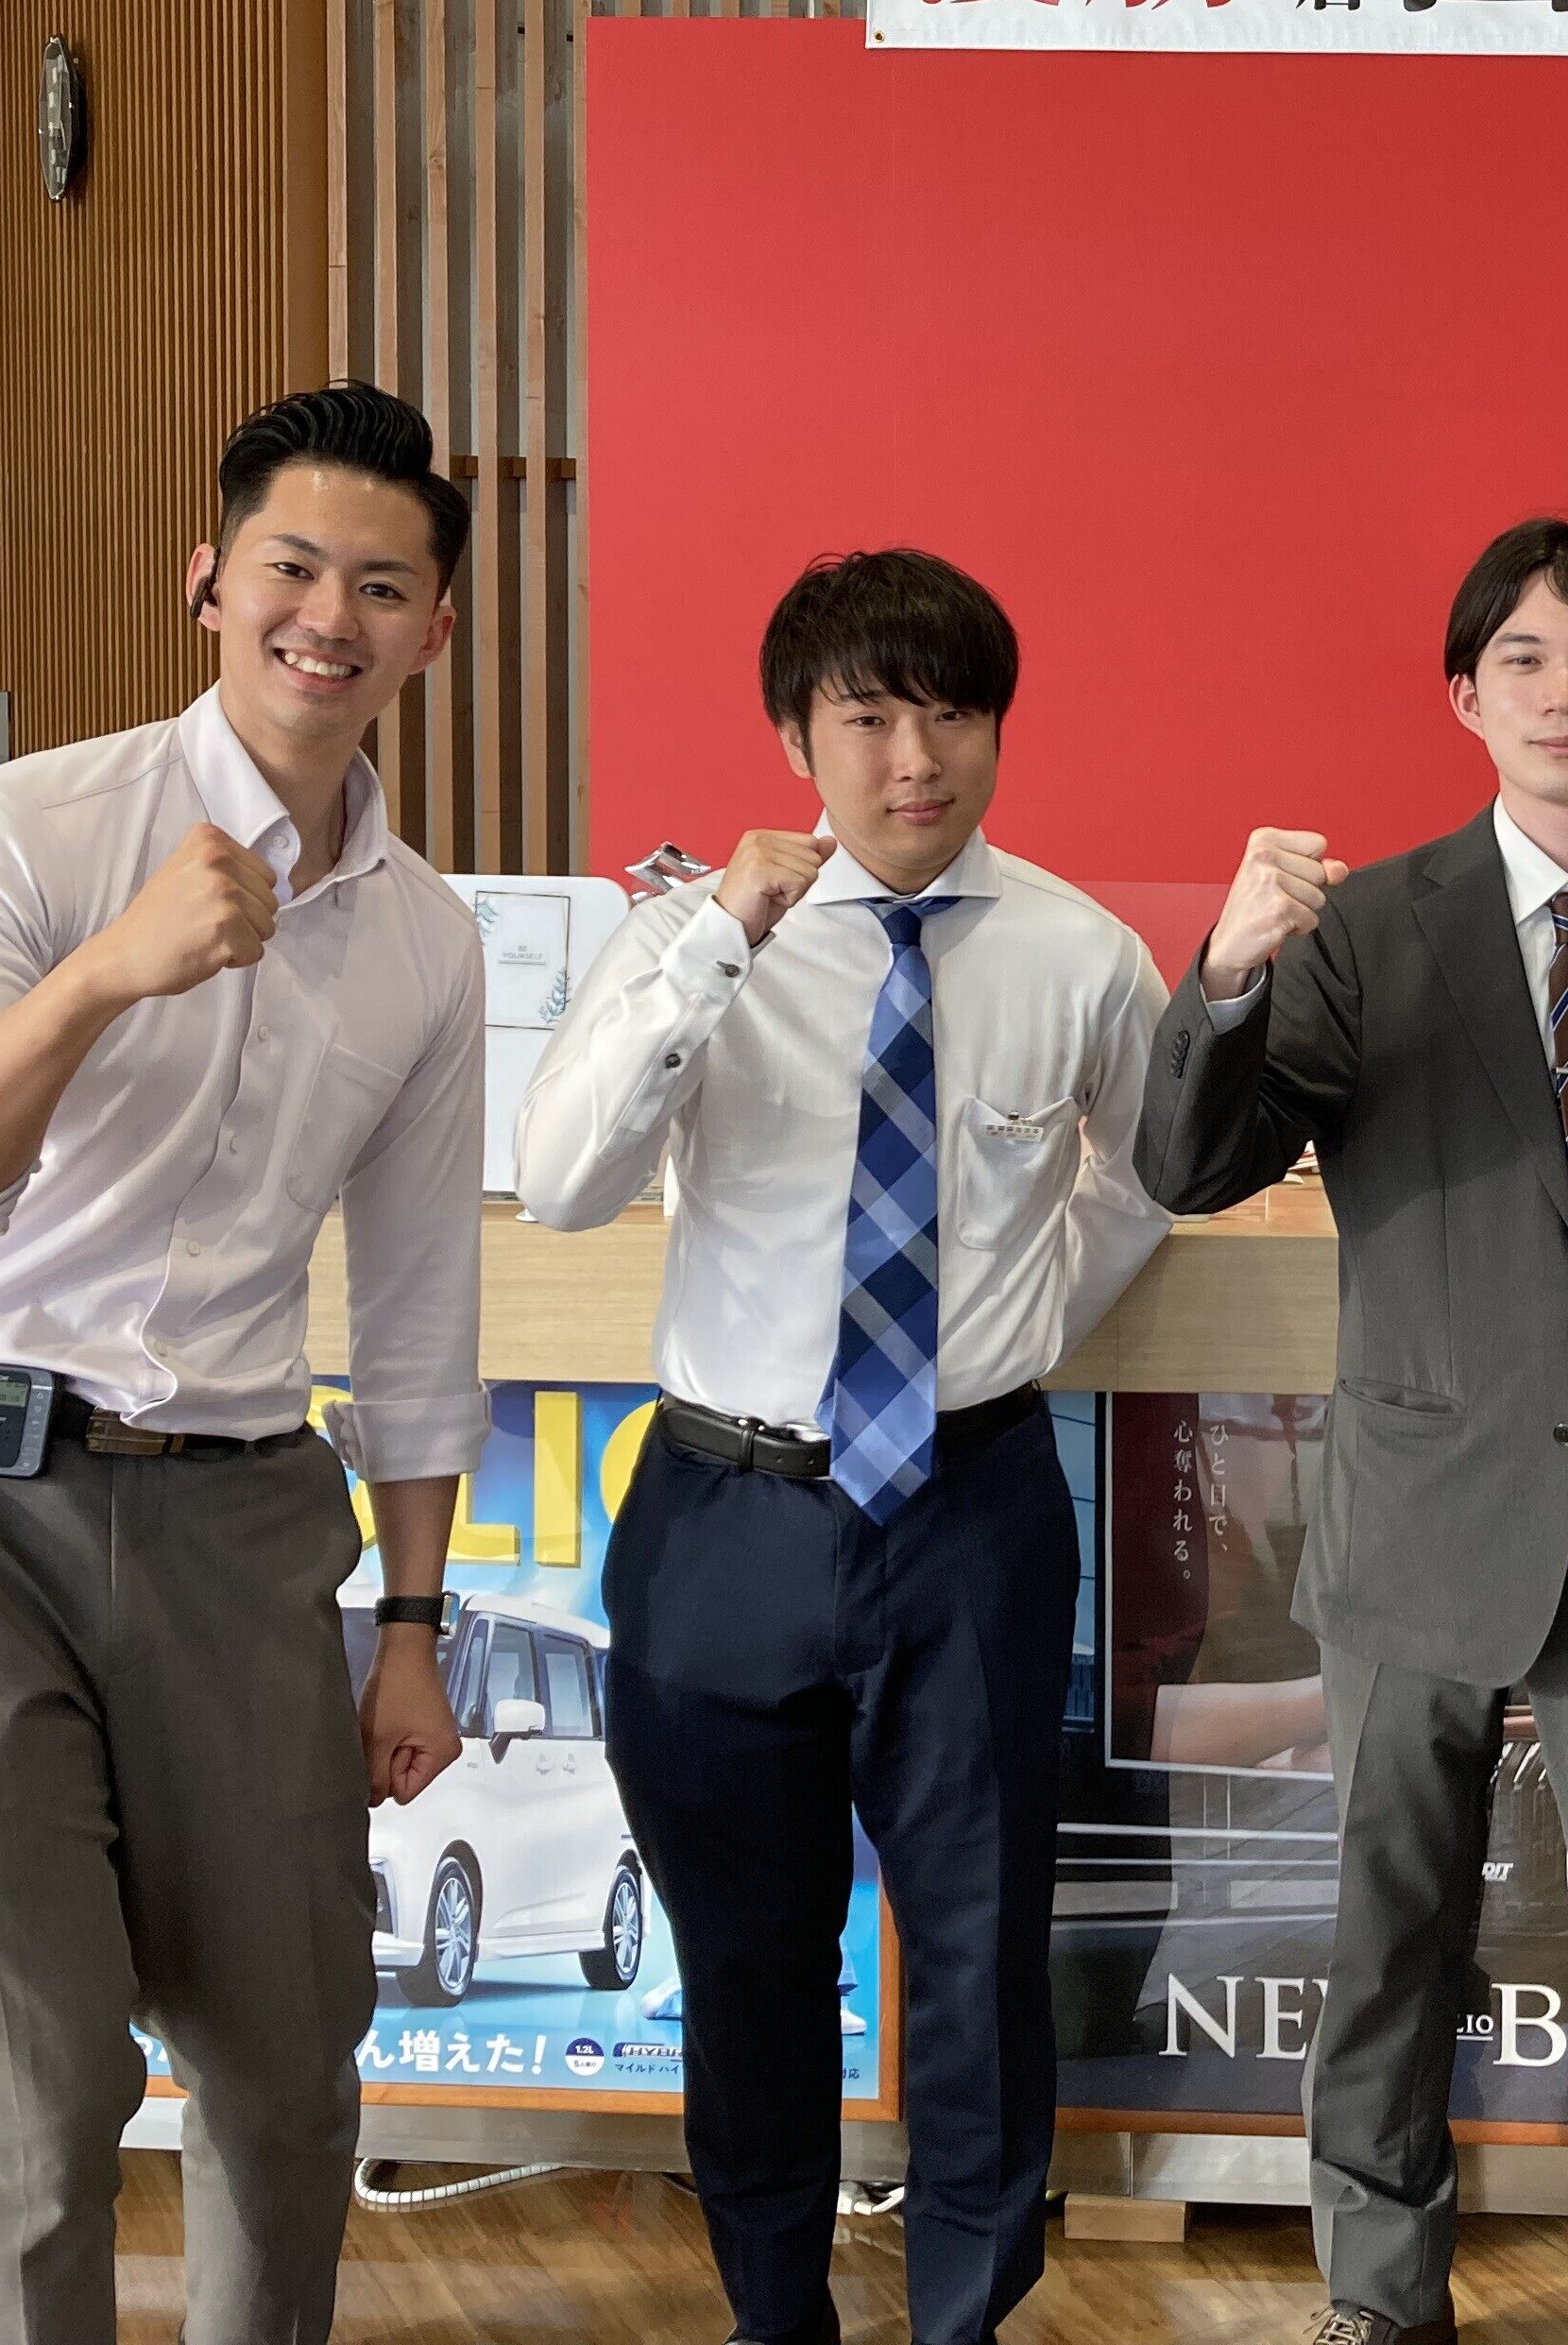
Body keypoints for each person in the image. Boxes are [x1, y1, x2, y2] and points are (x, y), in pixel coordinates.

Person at [0, 382, 483, 2345]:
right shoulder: (25, 833)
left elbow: (419, 1311)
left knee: (290, 2069)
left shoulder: (426, 941)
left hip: (234, 1519)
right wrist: (105, 973)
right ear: (208, 583)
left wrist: (413, 1624)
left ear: (432, 632)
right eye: (290, 567)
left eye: (381, 586)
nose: (329, 616)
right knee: (29, 2105)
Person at [1133, 517, 1568, 2345]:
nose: (1564, 693)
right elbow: (1189, 1167)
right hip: (1421, 1504)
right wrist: (1226, 973)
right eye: (1523, 658)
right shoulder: (1370, 928)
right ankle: (1378, 2289)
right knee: (1389, 1927)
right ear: (1465, 694)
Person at [513, 549, 1172, 2345]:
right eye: (868, 717)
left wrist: (1019, 1323)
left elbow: (1145, 1179)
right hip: (727, 1511)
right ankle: (773, 2314)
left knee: (976, 1953)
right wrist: (719, 944)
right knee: (746, 1959)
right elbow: (561, 1182)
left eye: (952, 714)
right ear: (794, 736)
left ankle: (964, 2315)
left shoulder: (1080, 955)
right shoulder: (688, 933)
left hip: (972, 1507)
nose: (914, 758)